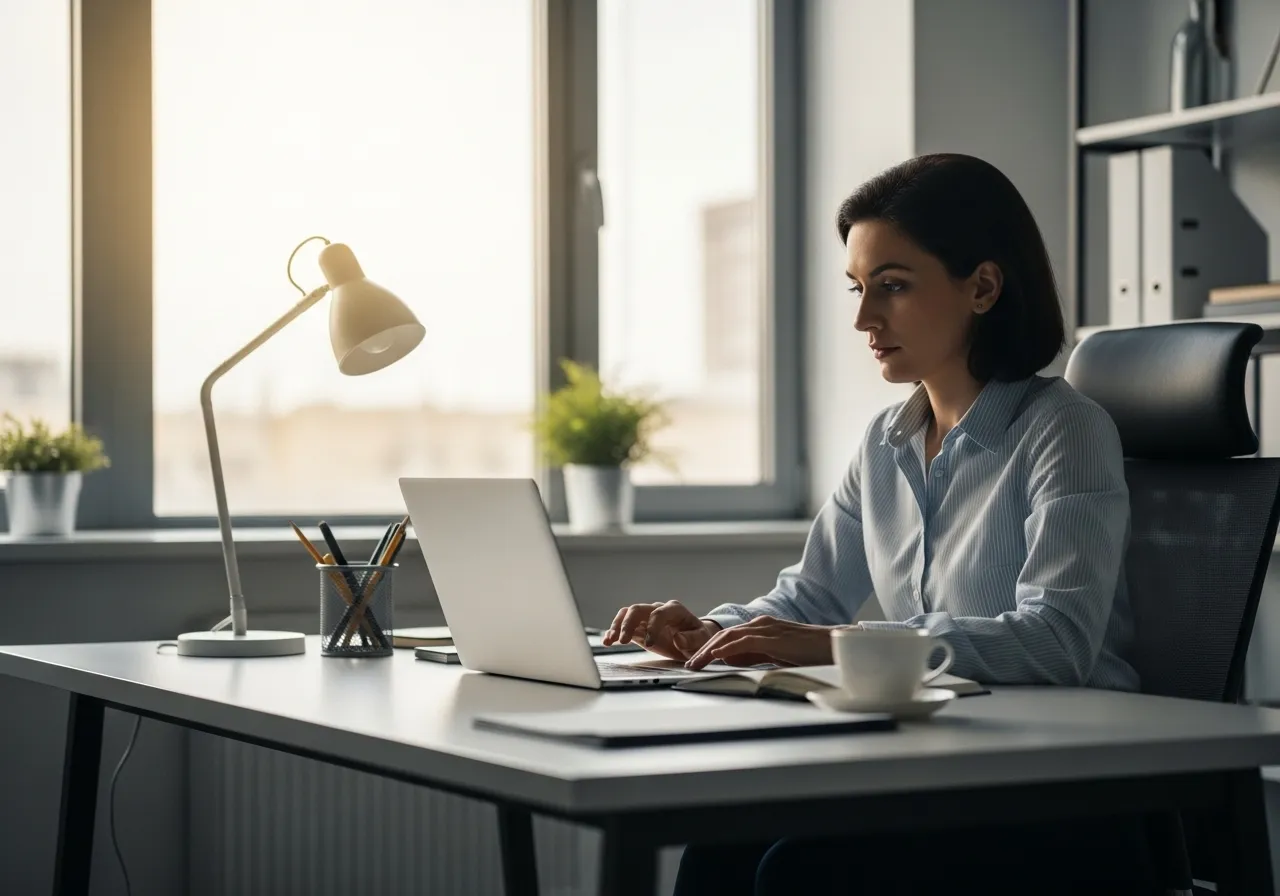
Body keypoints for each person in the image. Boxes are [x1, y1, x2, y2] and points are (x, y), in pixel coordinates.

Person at [601, 153, 1152, 894]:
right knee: (720, 852)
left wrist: (838, 645)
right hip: (937, 766)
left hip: (1062, 794)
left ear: (983, 286)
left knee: (798, 874)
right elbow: (805, 602)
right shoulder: (885, 442)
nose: (863, 318)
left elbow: (1057, 642)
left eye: (892, 287)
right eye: (859, 289)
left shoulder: (1065, 429)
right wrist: (709, 630)